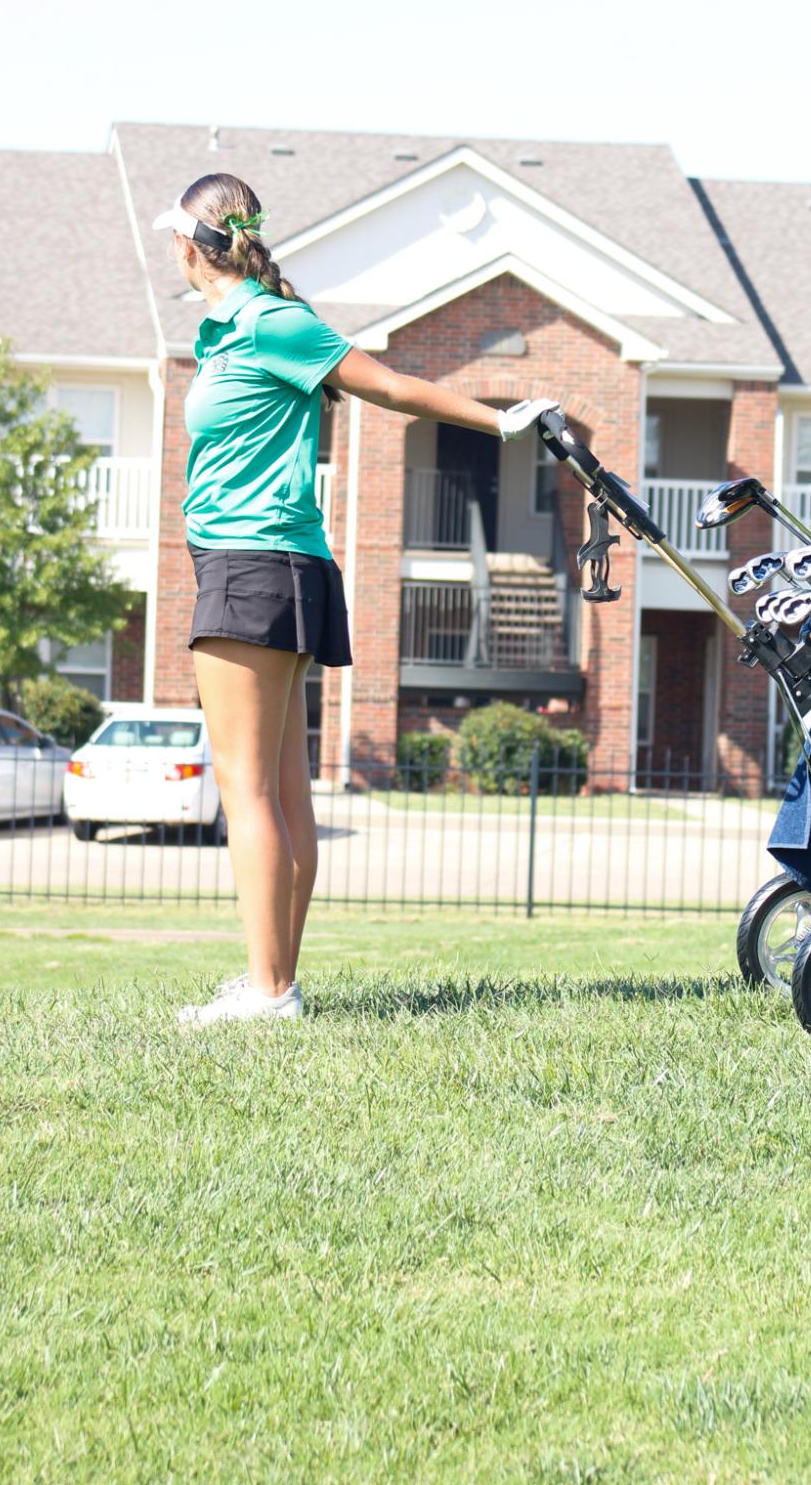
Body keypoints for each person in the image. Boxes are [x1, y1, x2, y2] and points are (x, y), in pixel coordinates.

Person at [153, 172, 556, 1027]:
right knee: (285, 791)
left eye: (174, 243)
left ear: (194, 245)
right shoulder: (229, 330)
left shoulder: (270, 321)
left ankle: (268, 992)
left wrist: (501, 419)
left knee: (247, 793)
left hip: (252, 565)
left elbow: (391, 385)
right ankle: (275, 980)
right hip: (274, 566)